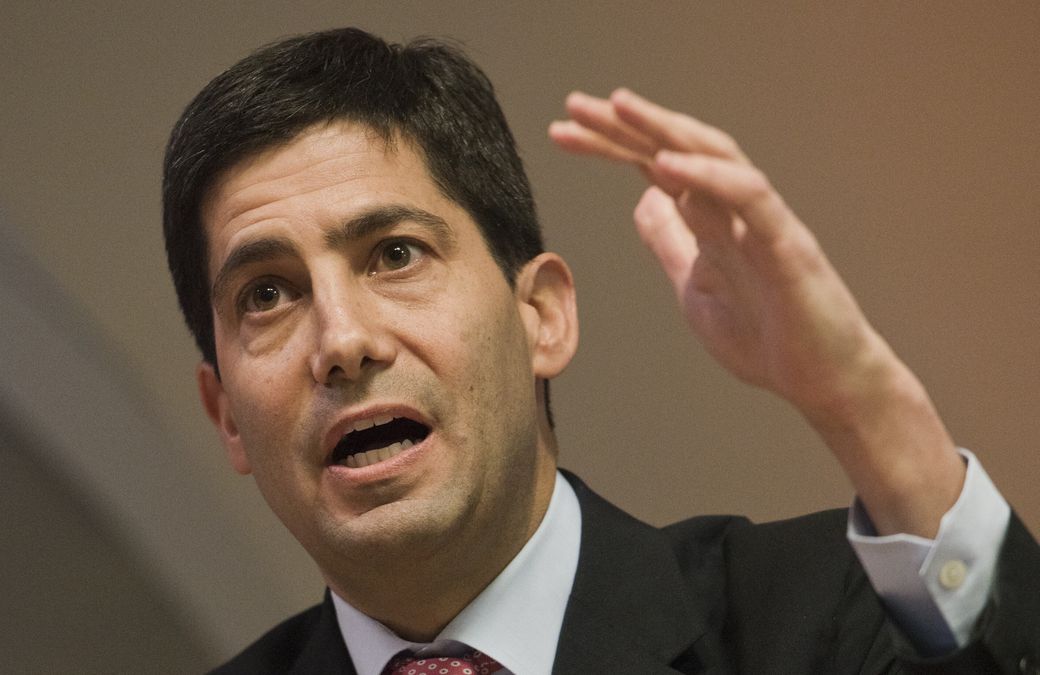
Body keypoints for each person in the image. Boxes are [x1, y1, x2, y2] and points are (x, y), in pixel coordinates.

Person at [161, 28, 1038, 674]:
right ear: (227, 415)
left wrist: (858, 401)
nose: (343, 341)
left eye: (395, 254)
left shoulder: (822, 619)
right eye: (266, 294)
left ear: (541, 315)